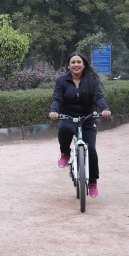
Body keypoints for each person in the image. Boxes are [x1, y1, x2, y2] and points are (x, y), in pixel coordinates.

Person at [49, 52, 111, 197]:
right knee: (64, 128)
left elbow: (97, 96)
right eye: (73, 62)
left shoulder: (92, 79)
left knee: (92, 149)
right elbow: (57, 98)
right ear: (69, 65)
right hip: (68, 116)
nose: (76, 65)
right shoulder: (62, 81)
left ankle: (93, 182)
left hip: (88, 117)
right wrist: (54, 111)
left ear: (84, 65)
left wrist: (104, 109)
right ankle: (65, 153)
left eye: (79, 62)